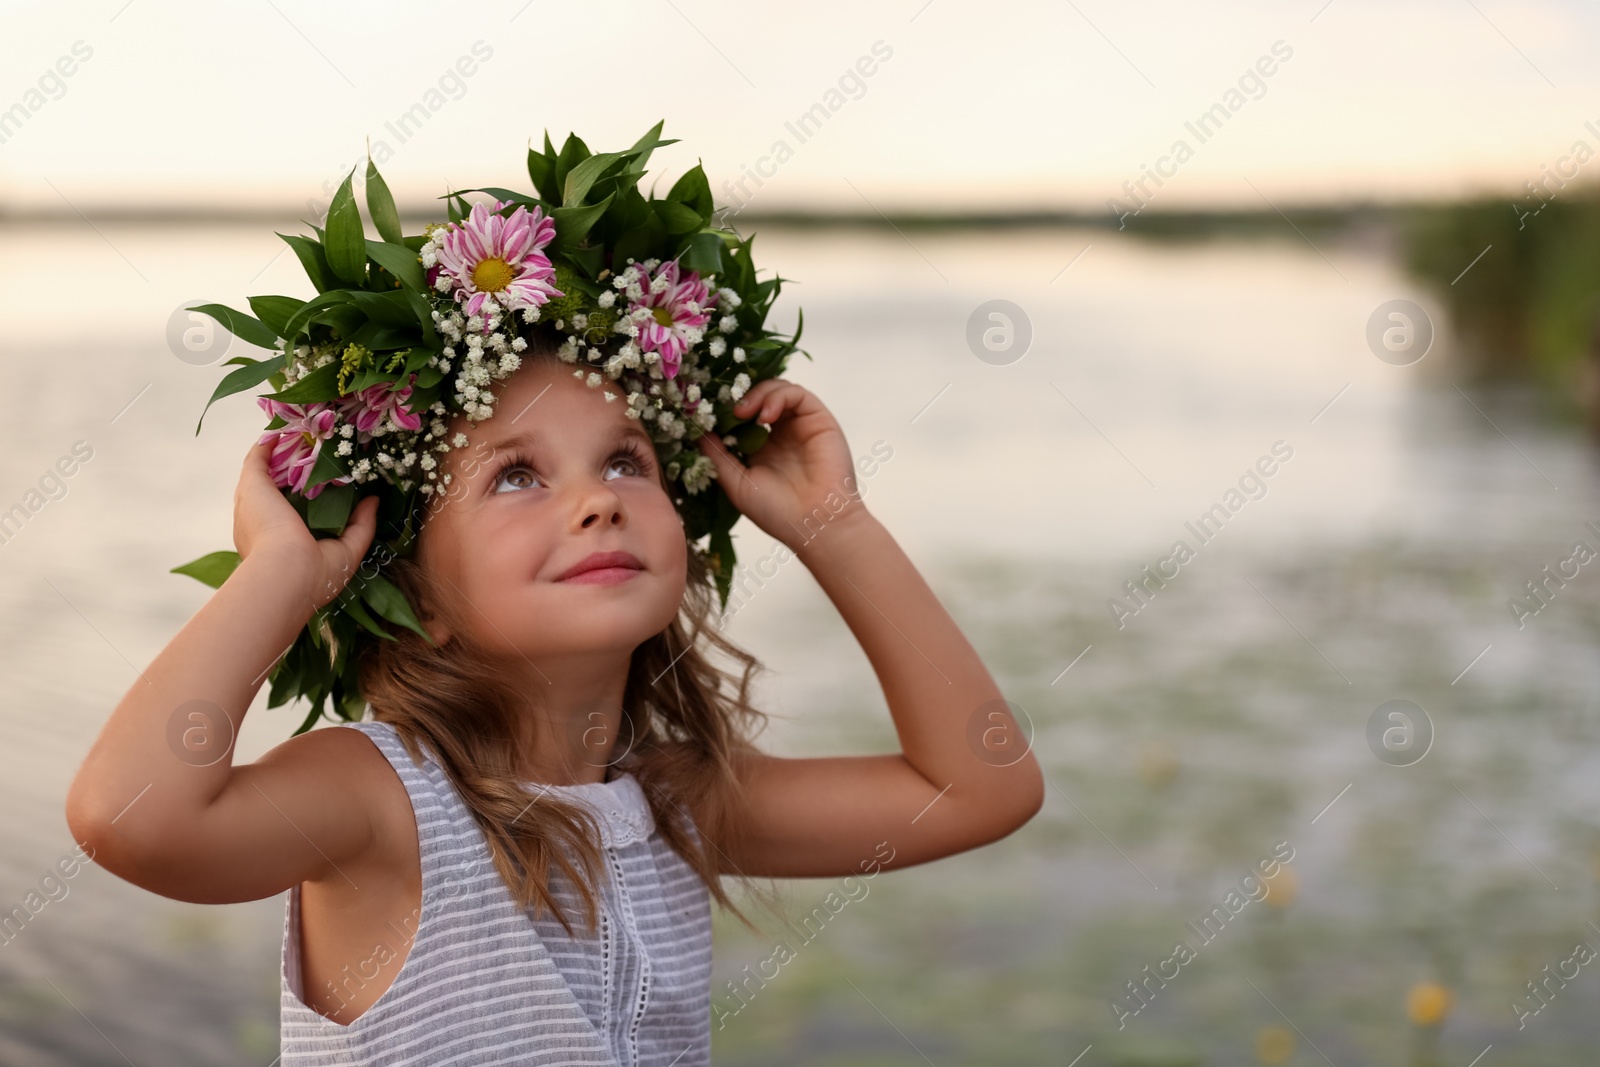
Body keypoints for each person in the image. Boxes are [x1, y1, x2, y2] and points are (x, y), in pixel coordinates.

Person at [64, 333, 1044, 1063]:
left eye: (625, 460)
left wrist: (834, 525)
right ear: (414, 594)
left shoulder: (675, 803)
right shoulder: (382, 802)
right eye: (517, 474)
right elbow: (129, 816)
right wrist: (281, 569)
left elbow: (980, 786)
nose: (597, 497)